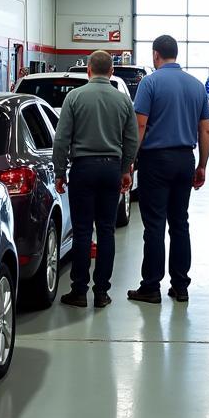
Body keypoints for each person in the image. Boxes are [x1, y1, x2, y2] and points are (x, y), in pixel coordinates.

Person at [128, 35, 209, 304]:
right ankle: (181, 286)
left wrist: (130, 162)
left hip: (155, 161)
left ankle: (151, 286)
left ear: (155, 55)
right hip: (185, 160)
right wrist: (202, 165)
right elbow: (206, 129)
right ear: (175, 54)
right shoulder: (196, 85)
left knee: (154, 224)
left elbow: (140, 126)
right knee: (180, 223)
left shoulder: (149, 83)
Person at [53, 50, 139, 308]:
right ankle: (102, 292)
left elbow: (61, 139)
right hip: (111, 169)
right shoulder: (123, 101)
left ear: (88, 70)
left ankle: (79, 291)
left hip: (83, 169)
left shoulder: (74, 97)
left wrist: (59, 171)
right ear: (112, 72)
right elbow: (132, 140)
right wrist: (125, 169)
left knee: (82, 232)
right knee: (106, 231)